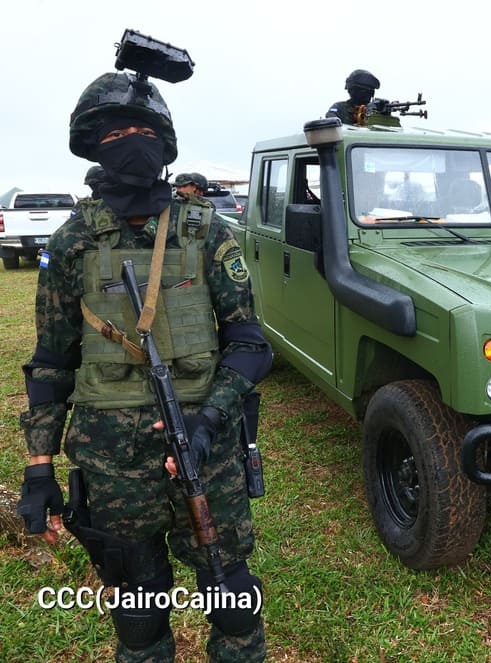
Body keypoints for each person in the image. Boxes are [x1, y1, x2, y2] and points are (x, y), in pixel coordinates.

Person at [16, 70, 272, 662]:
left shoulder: (205, 231)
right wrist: (38, 467)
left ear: (164, 143)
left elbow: (249, 342)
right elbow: (52, 362)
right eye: (114, 133)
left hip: (204, 448)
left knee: (232, 598)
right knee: (137, 609)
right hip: (110, 461)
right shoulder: (73, 242)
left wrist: (210, 420)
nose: (130, 141)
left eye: (142, 130)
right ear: (93, 145)